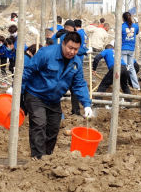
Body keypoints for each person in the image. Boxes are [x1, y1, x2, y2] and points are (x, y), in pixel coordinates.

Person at [21, 31, 92, 159]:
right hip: (35, 94)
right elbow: (28, 70)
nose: (72, 52)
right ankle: (38, 159)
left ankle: (47, 158)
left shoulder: (76, 63)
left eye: (76, 49)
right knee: (39, 124)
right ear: (63, 43)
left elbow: (79, 84)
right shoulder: (46, 53)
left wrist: (86, 104)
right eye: (70, 48)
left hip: (53, 99)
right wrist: (17, 90)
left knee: (53, 129)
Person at [121, 12, 140, 90]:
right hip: (131, 49)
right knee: (131, 67)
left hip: (123, 48)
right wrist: (137, 22)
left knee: (124, 68)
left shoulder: (121, 26)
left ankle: (124, 85)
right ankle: (136, 86)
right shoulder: (135, 26)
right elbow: (137, 32)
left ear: (123, 18)